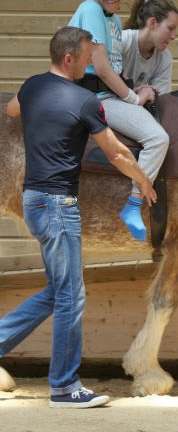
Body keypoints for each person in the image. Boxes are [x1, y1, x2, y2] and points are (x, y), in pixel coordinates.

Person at [1, 27, 157, 408]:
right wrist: (144, 182)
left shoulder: (33, 86)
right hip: (58, 207)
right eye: (87, 57)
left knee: (58, 292)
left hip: (34, 202)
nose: (92, 63)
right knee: (71, 297)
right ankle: (64, 387)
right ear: (69, 59)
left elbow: (12, 110)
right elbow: (118, 153)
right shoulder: (85, 100)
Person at [68, 0, 169, 243]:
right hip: (92, 98)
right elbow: (99, 67)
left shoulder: (111, 21)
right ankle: (134, 204)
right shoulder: (90, 9)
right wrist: (133, 99)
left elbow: (112, 70)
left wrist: (134, 89)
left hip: (103, 94)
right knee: (158, 138)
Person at [121, 0, 178, 95]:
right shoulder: (122, 40)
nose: (174, 36)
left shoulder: (165, 58)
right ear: (152, 23)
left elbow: (161, 100)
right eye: (170, 28)